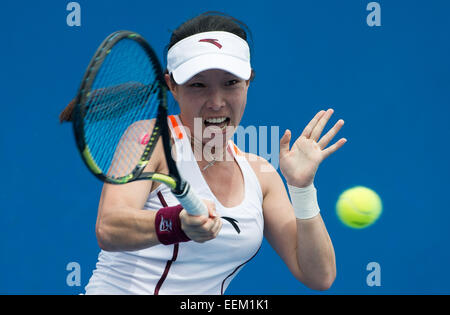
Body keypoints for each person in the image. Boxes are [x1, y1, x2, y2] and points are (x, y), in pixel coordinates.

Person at [61, 11, 347, 295]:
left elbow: (318, 276)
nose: (216, 102)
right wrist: (177, 223)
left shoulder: (262, 176)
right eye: (198, 85)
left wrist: (302, 189)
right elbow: (109, 228)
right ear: (172, 85)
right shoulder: (152, 140)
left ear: (248, 81)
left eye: (230, 83)